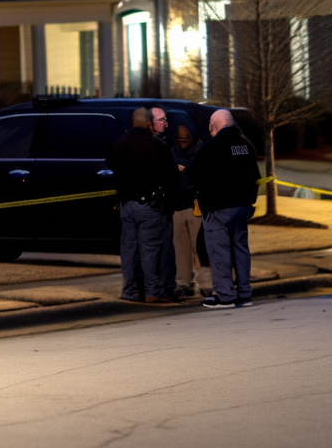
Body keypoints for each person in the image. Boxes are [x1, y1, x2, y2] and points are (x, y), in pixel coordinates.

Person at [106, 107, 180, 304]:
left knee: (129, 251)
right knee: (150, 251)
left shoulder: (120, 144)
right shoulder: (155, 146)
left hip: (125, 206)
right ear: (149, 124)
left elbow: (110, 163)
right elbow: (171, 175)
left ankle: (130, 291)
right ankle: (153, 290)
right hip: (148, 206)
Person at [188, 109, 260, 309]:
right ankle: (245, 293)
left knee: (219, 251)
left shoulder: (213, 146)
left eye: (211, 124)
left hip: (218, 209)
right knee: (241, 250)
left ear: (214, 125)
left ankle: (225, 295)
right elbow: (255, 176)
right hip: (242, 207)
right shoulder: (246, 145)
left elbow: (194, 173)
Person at [170, 123, 203, 298]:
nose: (182, 143)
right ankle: (184, 281)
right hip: (177, 205)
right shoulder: (172, 152)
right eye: (180, 139)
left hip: (194, 206)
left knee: (196, 246)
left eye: (186, 139)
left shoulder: (201, 152)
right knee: (180, 248)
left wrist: (186, 170)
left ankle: (200, 280)